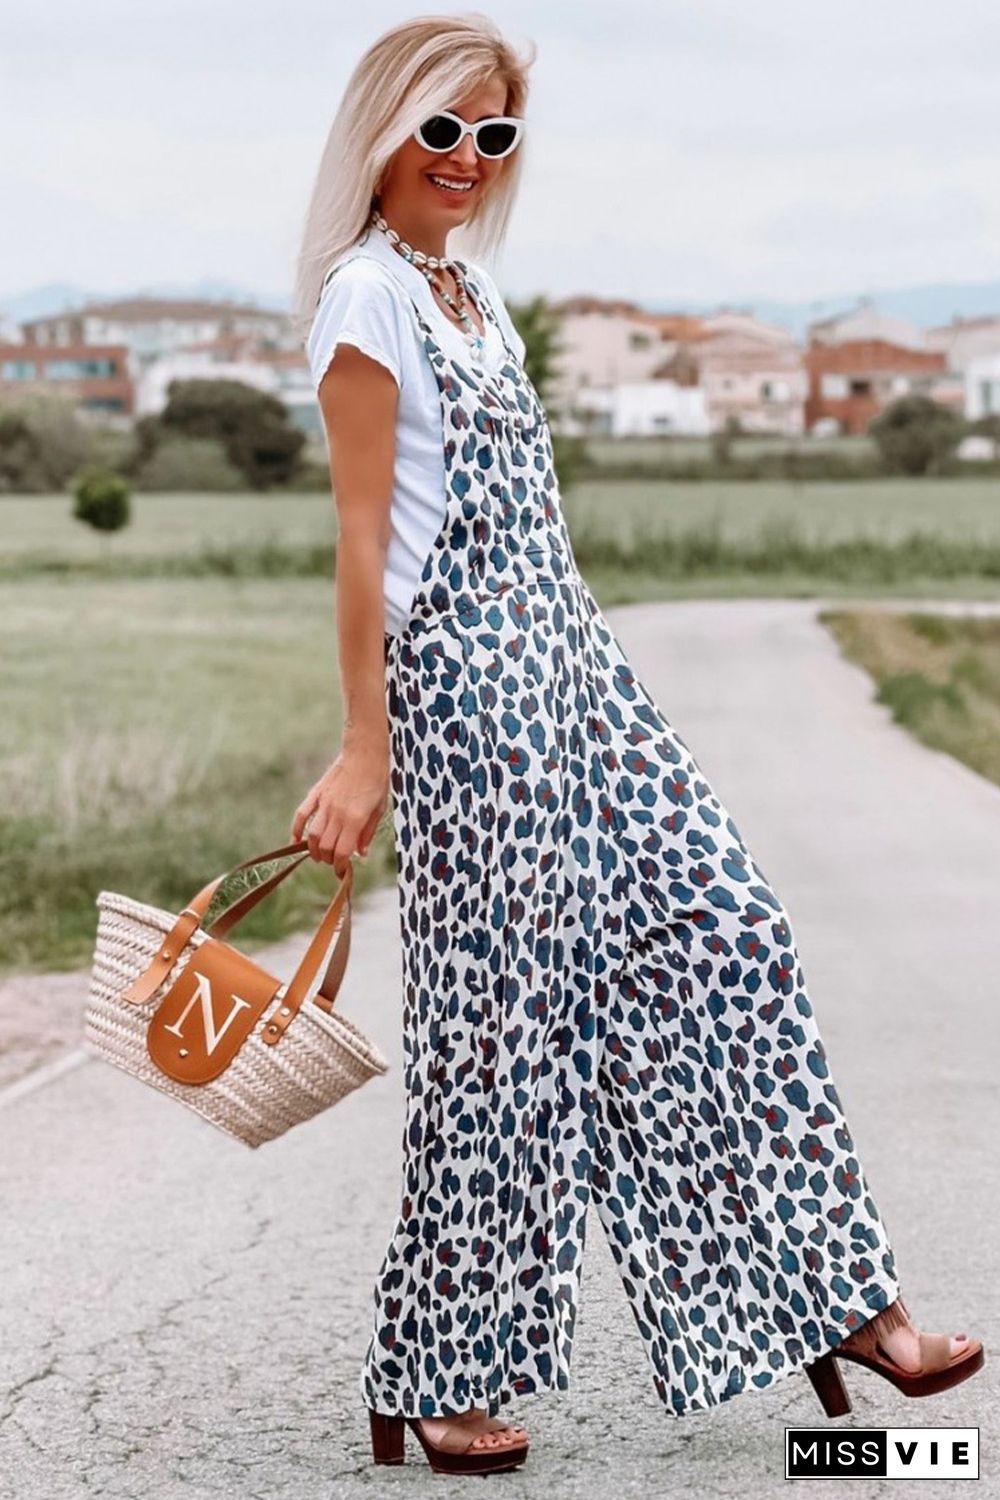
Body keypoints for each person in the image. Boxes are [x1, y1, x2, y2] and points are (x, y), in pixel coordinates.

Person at [289, 12, 983, 1479]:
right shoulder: (369, 301)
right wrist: (367, 750)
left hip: (580, 679)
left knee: (730, 937)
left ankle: (845, 1299)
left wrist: (586, 673)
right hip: (470, 703)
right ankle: (436, 1364)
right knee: (506, 1043)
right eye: (444, 128)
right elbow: (360, 548)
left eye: (495, 134)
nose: (469, 158)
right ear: (382, 132)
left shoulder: (465, 290)